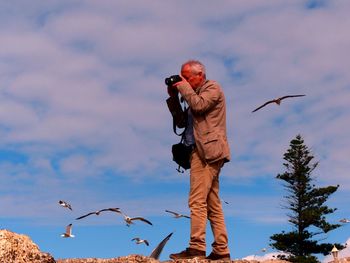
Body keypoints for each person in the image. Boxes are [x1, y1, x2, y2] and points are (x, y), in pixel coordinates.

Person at [166, 60, 231, 261]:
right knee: (212, 203)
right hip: (199, 152)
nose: (183, 80)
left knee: (196, 201)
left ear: (200, 74)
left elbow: (199, 105)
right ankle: (221, 250)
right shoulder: (191, 94)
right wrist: (174, 97)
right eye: (182, 77)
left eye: (187, 77)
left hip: (207, 153)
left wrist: (182, 86)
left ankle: (196, 248)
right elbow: (180, 122)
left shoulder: (212, 88)